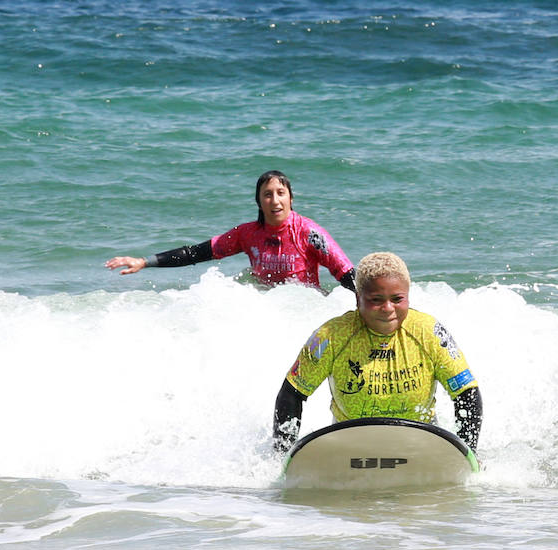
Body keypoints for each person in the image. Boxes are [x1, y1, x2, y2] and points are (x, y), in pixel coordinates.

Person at [271, 251, 483, 454]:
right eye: (376, 300)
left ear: (408, 297)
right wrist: (282, 455)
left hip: (420, 444)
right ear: (357, 299)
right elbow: (292, 393)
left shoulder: (430, 333)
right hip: (349, 445)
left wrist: (467, 453)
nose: (388, 308)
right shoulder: (331, 336)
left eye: (397, 299)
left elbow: (466, 393)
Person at [104, 170, 356, 291]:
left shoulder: (309, 233)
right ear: (259, 201)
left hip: (302, 309)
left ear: (291, 198)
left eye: (281, 193)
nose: (275, 201)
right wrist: (144, 262)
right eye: (267, 195)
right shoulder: (247, 234)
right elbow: (196, 253)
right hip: (266, 306)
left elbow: (344, 271)